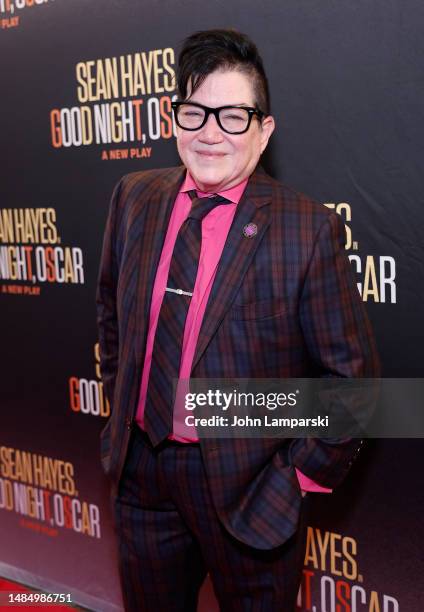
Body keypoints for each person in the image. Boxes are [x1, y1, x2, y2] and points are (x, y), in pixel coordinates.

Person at [96, 28, 380, 611]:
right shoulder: (133, 197)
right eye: (195, 111)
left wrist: (295, 480)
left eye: (232, 116)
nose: (209, 132)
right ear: (173, 118)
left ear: (263, 129)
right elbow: (111, 319)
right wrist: (118, 411)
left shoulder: (307, 228)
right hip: (141, 476)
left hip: (249, 489)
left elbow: (353, 385)